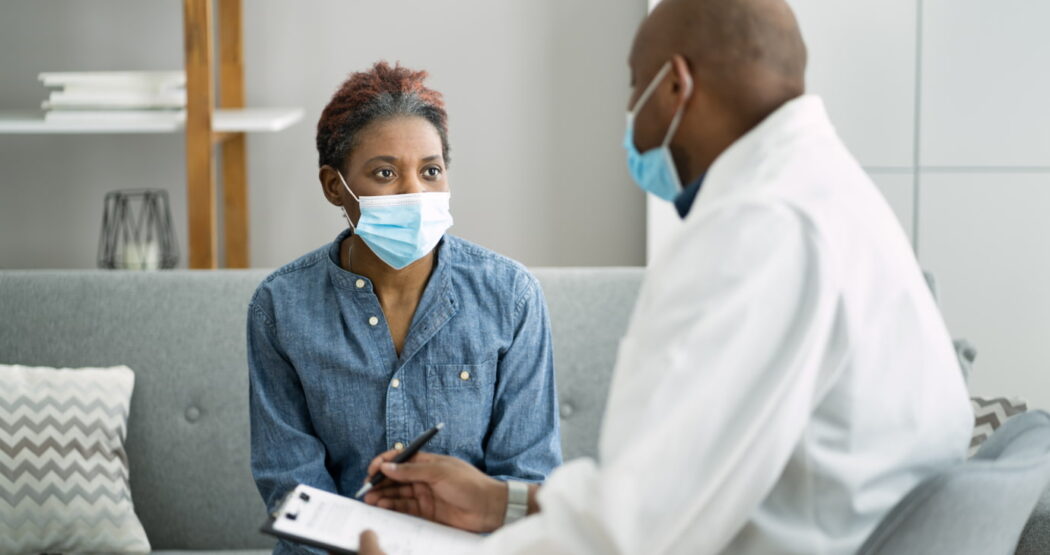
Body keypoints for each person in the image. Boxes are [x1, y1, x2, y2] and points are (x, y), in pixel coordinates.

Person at [355, 0, 973, 553]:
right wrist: (504, 502)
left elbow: (635, 533)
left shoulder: (755, 226)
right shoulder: (826, 192)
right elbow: (686, 485)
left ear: (675, 85)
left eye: (633, 88)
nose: (630, 112)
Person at [246, 62, 562, 554]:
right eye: (385, 173)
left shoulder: (511, 296)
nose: (415, 192)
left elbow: (527, 473)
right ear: (335, 187)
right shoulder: (280, 307)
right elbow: (292, 485)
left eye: (430, 171)